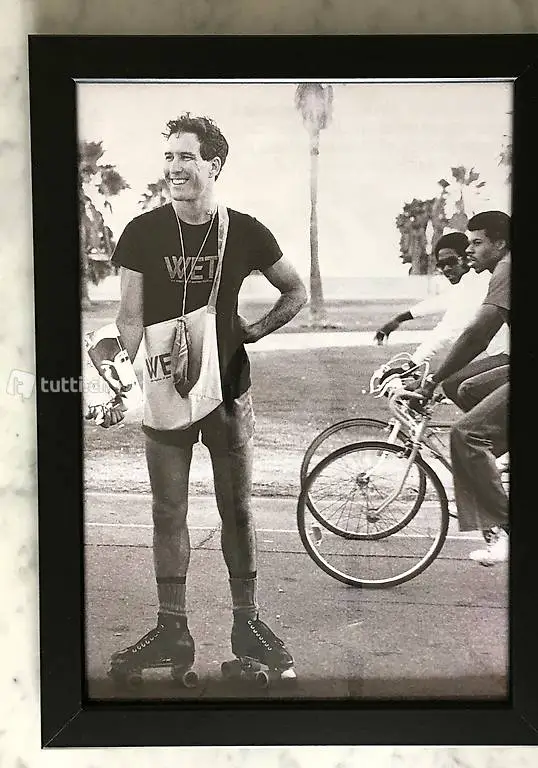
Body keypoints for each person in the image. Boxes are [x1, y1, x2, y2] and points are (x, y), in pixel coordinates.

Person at [104, 113, 307, 679]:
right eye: (168, 158)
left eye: (185, 157)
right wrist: (150, 372)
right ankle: (173, 631)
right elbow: (128, 316)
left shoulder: (243, 229)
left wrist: (255, 331)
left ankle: (248, 626)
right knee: (167, 512)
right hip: (167, 394)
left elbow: (296, 289)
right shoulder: (142, 231)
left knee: (237, 512)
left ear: (213, 165)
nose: (174, 168)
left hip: (229, 393)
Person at [412, 211, 511, 566]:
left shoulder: (507, 269)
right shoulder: (501, 270)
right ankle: (489, 468)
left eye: (477, 243)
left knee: (466, 435)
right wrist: (442, 378)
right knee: (463, 387)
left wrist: (431, 379)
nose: (469, 250)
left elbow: (476, 335)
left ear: (500, 244)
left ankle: (505, 528)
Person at [374, 232, 509, 384]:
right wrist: (400, 319)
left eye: (450, 262)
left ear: (466, 257)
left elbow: (448, 329)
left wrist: (411, 365)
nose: (446, 269)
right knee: (454, 384)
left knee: (454, 385)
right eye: (441, 265)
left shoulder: (477, 282)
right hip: (501, 355)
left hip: (505, 357)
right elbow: (441, 301)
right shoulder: (470, 281)